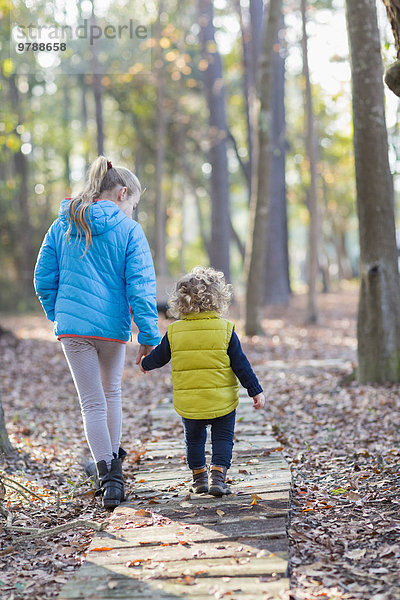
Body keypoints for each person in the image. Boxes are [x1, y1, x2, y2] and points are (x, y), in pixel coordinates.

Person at [34, 156, 161, 509]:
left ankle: (108, 475)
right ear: (122, 193)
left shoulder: (62, 224)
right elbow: (140, 286)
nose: (132, 211)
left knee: (91, 403)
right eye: (133, 204)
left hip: (73, 330)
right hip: (111, 330)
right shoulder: (130, 231)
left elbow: (43, 279)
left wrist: (58, 315)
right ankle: (113, 474)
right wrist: (148, 335)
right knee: (111, 395)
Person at [140, 266, 265, 497]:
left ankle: (199, 479)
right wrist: (255, 391)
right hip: (222, 401)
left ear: (180, 301)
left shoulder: (175, 331)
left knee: (194, 440)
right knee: (223, 438)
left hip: (191, 403)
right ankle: (218, 476)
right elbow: (241, 365)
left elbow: (159, 357)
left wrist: (145, 364)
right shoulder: (226, 330)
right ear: (218, 299)